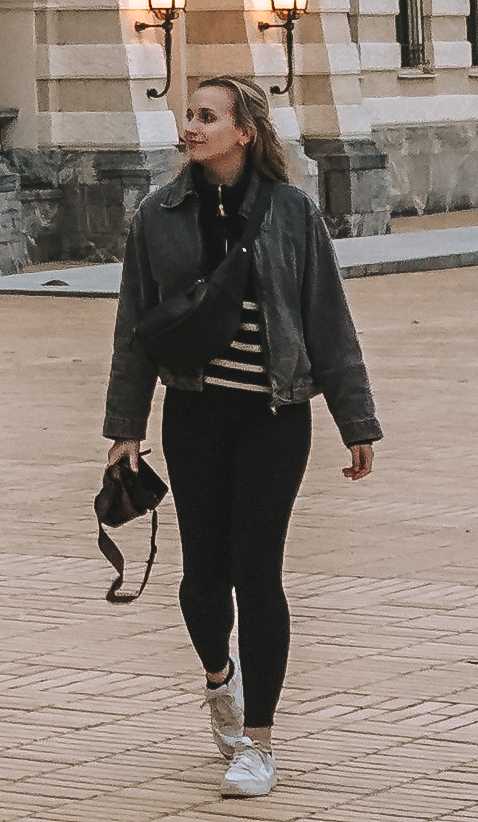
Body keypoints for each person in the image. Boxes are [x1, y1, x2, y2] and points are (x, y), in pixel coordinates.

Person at [102, 72, 378, 799]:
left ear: (244, 132)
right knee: (203, 574)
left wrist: (357, 420)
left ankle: (258, 741)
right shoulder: (157, 215)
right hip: (194, 414)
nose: (189, 127)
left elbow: (329, 318)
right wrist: (125, 428)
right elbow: (134, 328)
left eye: (206, 117)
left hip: (275, 416)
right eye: (187, 115)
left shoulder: (292, 212)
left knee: (257, 573)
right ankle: (219, 681)